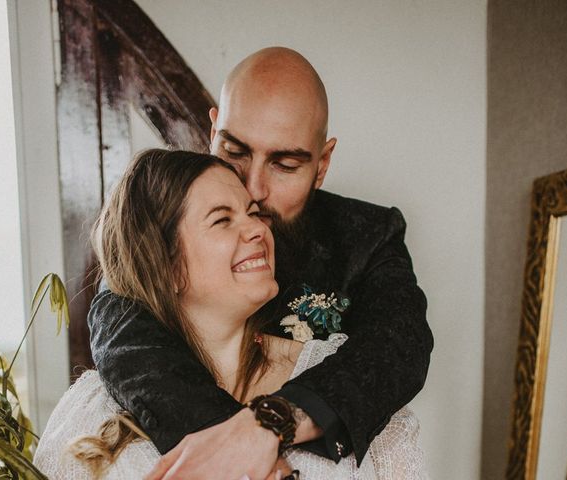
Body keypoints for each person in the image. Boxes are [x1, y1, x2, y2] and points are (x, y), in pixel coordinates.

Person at [88, 48, 433, 480]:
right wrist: (254, 458)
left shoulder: (368, 236)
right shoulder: (159, 230)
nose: (253, 187)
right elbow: (123, 325)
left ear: (322, 164)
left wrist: (271, 422)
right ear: (212, 131)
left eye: (285, 164)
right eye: (234, 150)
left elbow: (399, 345)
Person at [33, 149, 427, 479]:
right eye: (223, 219)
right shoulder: (91, 407)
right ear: (165, 265)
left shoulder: (341, 373)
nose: (257, 229)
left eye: (254, 213)